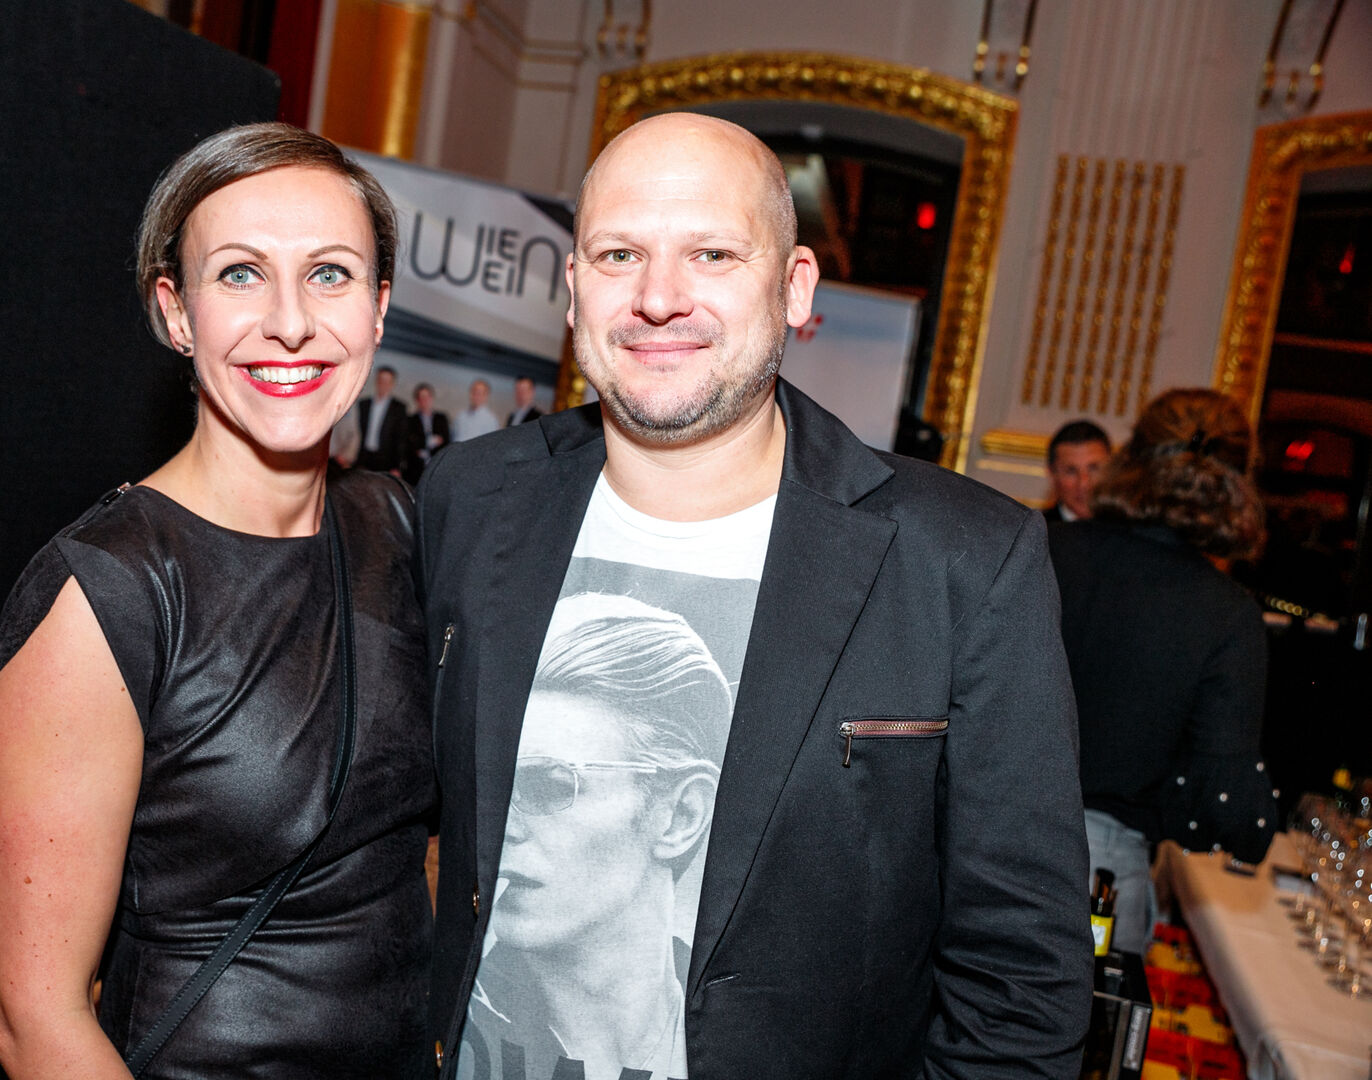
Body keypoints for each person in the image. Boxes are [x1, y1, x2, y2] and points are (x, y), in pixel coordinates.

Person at [415, 112, 1092, 1079]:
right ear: (572, 289)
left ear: (795, 287)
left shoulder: (964, 560)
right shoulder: (472, 498)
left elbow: (1020, 980)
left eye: (712, 254)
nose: (658, 298)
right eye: (618, 255)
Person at [0, 123, 435, 1079]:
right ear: (176, 312)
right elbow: (26, 1014)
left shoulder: (397, 525)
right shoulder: (105, 592)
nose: (290, 323)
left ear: (380, 308)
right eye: (239, 274)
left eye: (330, 274)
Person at [1048, 388, 1276, 953]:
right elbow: (1226, 807)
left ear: (1130, 458)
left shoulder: (1040, 545)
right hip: (1093, 873)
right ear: (1236, 482)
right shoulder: (1226, 612)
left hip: (970, 838)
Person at [463, 593, 729, 1075]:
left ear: (681, 816)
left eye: (550, 785)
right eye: (492, 785)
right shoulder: (451, 1031)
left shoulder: (766, 1025)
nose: (502, 825)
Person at [1045, 419, 1112, 523]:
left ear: (1113, 471)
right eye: (1071, 471)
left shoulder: (1132, 530)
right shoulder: (1035, 530)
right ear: (1052, 475)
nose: (1083, 484)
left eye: (1093, 469)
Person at [356, 364, 409, 473]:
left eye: (387, 381)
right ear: (376, 381)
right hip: (362, 457)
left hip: (385, 461)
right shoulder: (363, 404)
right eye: (381, 380)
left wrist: (396, 466)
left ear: (392, 384)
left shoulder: (399, 408)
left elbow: (401, 438)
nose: (383, 384)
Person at [405, 382, 450, 486]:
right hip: (415, 471)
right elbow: (410, 444)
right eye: (421, 398)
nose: (424, 401)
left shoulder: (441, 418)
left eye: (427, 397)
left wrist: (422, 445)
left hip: (437, 469)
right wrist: (431, 441)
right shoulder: (410, 420)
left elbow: (446, 442)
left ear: (432, 398)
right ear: (417, 400)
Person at [452, 378, 501, 442]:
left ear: (486, 396)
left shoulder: (491, 420)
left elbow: (492, 443)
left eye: (479, 393)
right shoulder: (461, 416)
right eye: (474, 392)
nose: (476, 396)